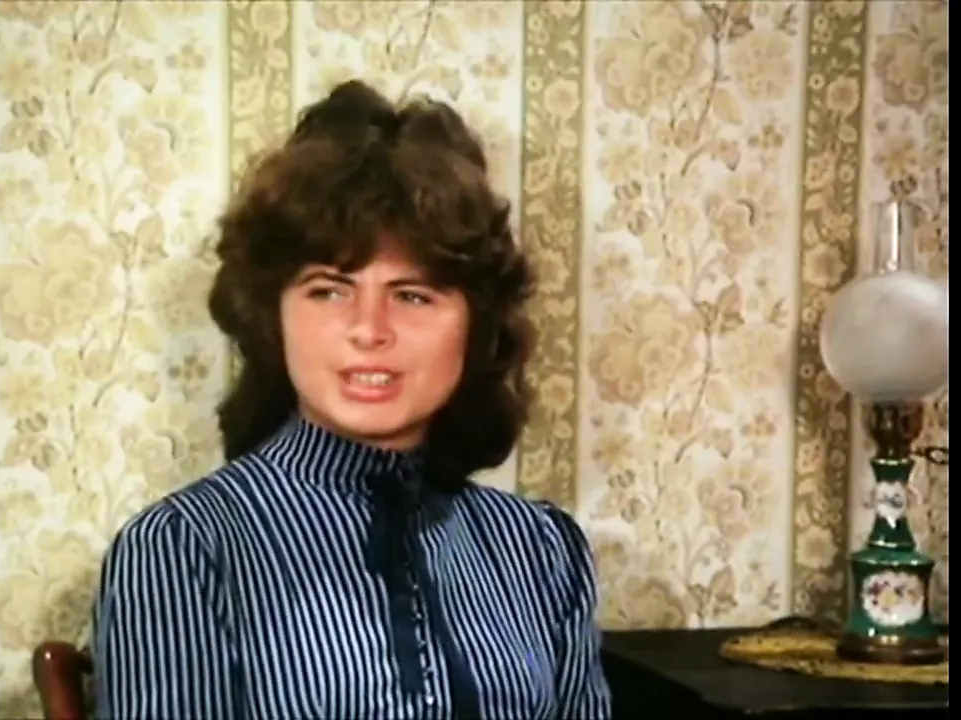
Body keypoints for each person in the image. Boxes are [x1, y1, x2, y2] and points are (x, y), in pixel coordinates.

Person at [91, 79, 613, 719]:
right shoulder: (182, 549)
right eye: (329, 290)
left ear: (476, 325)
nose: (369, 330)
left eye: (413, 295)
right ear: (272, 317)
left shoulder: (543, 551)